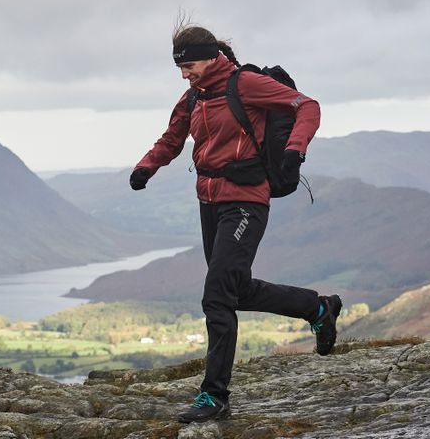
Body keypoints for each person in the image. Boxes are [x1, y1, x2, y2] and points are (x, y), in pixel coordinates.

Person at [130, 24, 342, 423]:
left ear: (210, 57)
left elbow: (306, 106)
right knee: (235, 290)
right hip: (209, 200)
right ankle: (318, 307)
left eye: (189, 65)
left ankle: (215, 396)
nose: (184, 73)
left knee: (216, 295)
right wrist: (147, 167)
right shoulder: (193, 97)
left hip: (245, 200)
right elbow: (173, 138)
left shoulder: (246, 84)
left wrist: (296, 149)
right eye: (179, 68)